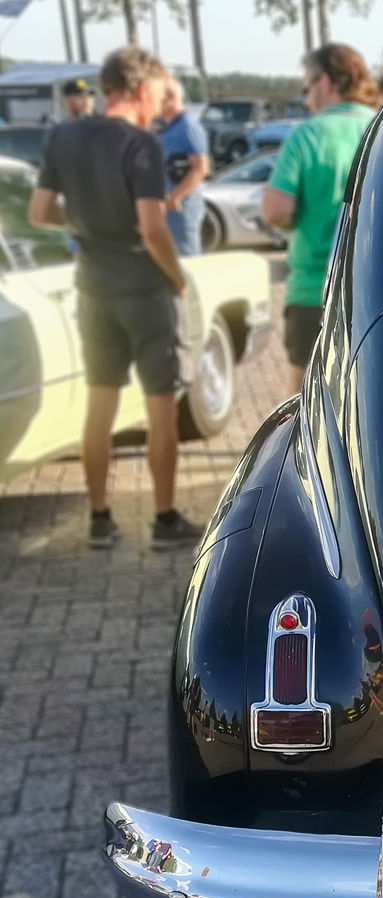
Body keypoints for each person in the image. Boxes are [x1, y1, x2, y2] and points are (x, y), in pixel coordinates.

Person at [29, 47, 202, 549]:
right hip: (145, 290)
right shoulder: (141, 144)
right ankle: (165, 520)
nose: (158, 104)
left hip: (94, 288)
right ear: (138, 89)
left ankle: (100, 519)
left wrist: (84, 220)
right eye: (157, 92)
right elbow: (152, 229)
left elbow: (41, 211)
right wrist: (178, 278)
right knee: (161, 409)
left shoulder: (61, 136)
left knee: (100, 404)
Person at [261, 43, 378, 396]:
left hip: (314, 291)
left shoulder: (307, 135)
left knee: (306, 402)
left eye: (306, 86)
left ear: (326, 81)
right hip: (375, 290)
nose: (306, 96)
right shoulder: (382, 127)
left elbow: (274, 211)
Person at [157, 78, 209, 256]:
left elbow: (201, 167)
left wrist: (175, 197)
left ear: (170, 97)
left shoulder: (188, 126)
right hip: (170, 205)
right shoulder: (168, 127)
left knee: (187, 262)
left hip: (183, 205)